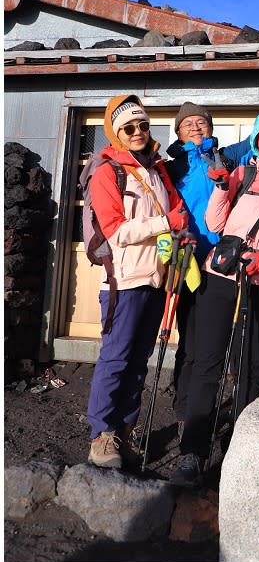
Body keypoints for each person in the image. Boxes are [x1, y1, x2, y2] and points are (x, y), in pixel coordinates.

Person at [170, 108, 259, 487]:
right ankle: (193, 452)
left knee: (249, 368)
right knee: (207, 362)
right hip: (221, 276)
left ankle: (239, 448)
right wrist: (220, 187)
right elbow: (216, 224)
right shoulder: (242, 173)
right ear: (258, 144)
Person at [86, 94, 190, 470]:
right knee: (115, 359)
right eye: (128, 127)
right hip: (124, 281)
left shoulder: (158, 170)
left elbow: (176, 209)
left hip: (156, 279)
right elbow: (116, 231)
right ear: (115, 133)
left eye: (142, 125)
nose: (137, 132)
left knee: (138, 362)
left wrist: (180, 227)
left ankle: (125, 432)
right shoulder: (106, 172)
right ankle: (101, 436)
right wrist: (167, 224)